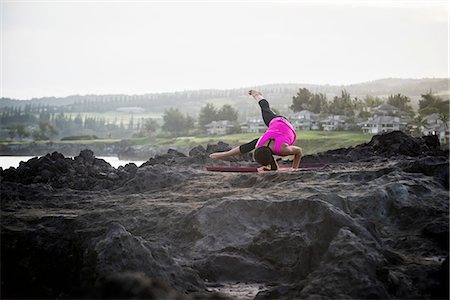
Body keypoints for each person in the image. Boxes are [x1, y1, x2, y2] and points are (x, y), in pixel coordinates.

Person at [209, 90, 302, 171]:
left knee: (265, 109)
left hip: (286, 125)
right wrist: (221, 155)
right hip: (274, 122)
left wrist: (294, 169)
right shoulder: (260, 143)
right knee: (265, 109)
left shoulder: (283, 150)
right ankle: (257, 95)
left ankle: (257, 95)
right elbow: (244, 148)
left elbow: (299, 151)